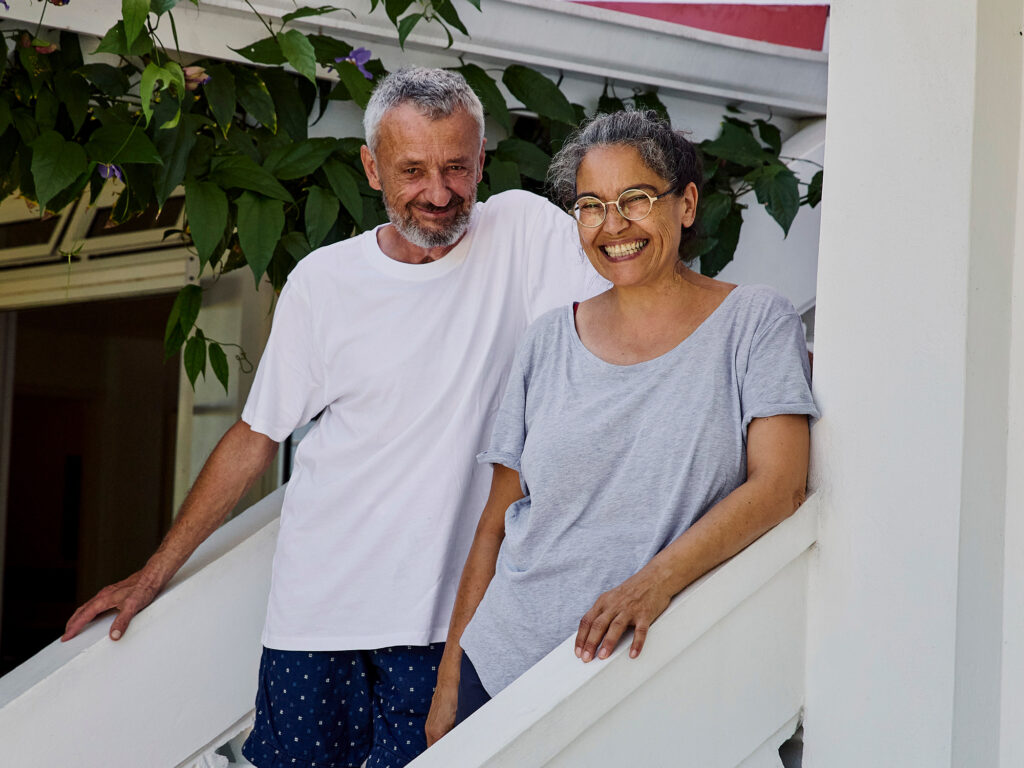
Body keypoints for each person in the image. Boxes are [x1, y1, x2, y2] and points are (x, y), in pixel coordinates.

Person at [60, 68, 605, 768]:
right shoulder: (324, 281)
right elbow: (257, 438)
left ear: (482, 162)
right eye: (412, 170)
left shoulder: (525, 233)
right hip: (312, 619)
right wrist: (153, 572)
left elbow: (628, 314)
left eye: (456, 168)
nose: (438, 194)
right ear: (371, 169)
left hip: (443, 625)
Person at [424, 109, 819, 741]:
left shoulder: (754, 323)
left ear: (686, 204)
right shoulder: (548, 339)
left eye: (635, 199)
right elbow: (498, 520)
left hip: (641, 672)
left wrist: (650, 585)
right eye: (590, 205)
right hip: (499, 668)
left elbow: (780, 487)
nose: (613, 226)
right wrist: (449, 680)